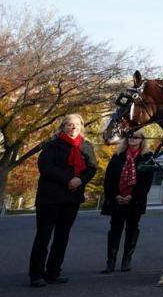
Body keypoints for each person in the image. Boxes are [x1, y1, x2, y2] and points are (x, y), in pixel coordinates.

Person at [28, 113, 98, 287]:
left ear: (81, 127)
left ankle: (53, 272)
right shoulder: (52, 145)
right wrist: (68, 179)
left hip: (72, 197)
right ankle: (36, 275)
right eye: (69, 125)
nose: (73, 128)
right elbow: (45, 167)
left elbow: (92, 168)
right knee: (43, 236)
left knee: (62, 236)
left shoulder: (86, 146)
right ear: (63, 127)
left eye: (76, 125)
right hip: (50, 197)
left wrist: (80, 180)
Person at [100, 130, 154, 273]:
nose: (133, 138)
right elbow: (109, 179)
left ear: (142, 140)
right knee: (115, 229)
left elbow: (146, 182)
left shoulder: (147, 158)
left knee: (132, 228)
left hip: (134, 201)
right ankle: (110, 261)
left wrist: (132, 196)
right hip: (117, 200)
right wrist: (116, 195)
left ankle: (126, 260)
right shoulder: (118, 156)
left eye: (137, 136)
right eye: (130, 136)